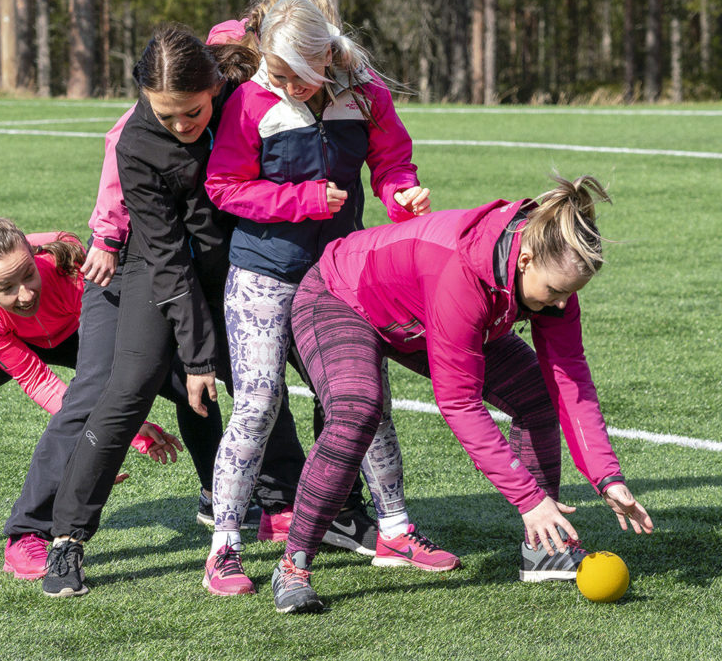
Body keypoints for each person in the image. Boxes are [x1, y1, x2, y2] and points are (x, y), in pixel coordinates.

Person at [271, 175, 655, 613]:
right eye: (554, 293)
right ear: (525, 260)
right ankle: (293, 565)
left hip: (417, 318)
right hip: (338, 296)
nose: (561, 307)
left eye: (571, 295)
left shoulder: (550, 280)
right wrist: (528, 499)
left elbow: (569, 377)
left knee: (536, 396)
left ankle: (544, 548)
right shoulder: (462, 271)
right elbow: (458, 402)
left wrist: (607, 477)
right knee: (358, 410)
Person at [40, 26, 308, 599]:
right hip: (157, 269)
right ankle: (67, 539)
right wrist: (196, 355)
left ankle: (314, 507)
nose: (183, 126)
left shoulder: (242, 98)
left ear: (215, 86)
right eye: (167, 115)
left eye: (192, 112)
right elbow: (166, 259)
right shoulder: (136, 143)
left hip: (239, 262)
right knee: (129, 386)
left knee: (263, 381)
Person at [202, 0, 442, 597]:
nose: (288, 86)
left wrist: (402, 194)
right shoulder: (251, 100)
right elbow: (224, 187)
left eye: (300, 76)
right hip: (263, 274)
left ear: (328, 56)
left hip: (339, 278)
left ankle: (394, 529)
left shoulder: (365, 95)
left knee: (368, 401)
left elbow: (392, 163)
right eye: (277, 73)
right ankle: (224, 549)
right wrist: (301, 202)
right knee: (257, 405)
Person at [0, 219, 182, 563]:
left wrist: (113, 432)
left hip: (69, 328)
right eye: (6, 286)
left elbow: (101, 371)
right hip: (7, 333)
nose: (26, 293)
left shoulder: (68, 258)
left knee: (183, 377)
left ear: (33, 255)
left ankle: (220, 496)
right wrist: (122, 434)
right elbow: (37, 378)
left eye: (28, 274)